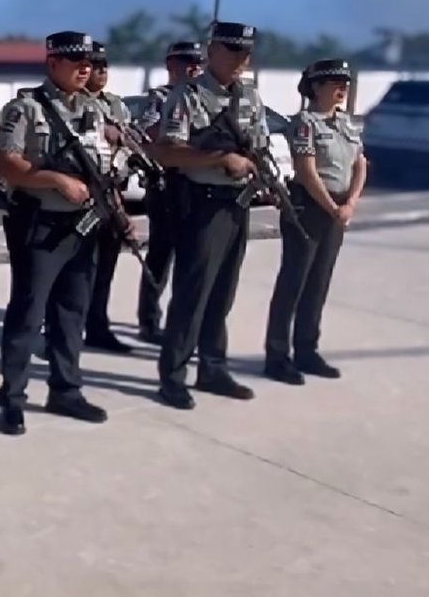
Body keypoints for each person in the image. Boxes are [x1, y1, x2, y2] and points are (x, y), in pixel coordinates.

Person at [0, 31, 112, 435]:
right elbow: (7, 164)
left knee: (72, 311)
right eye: (76, 61)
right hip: (40, 222)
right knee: (29, 312)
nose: (85, 69)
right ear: (53, 63)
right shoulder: (25, 108)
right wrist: (53, 179)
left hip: (82, 225)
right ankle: (12, 397)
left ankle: (65, 389)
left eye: (89, 63)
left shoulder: (95, 110)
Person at [151, 21, 270, 409]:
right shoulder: (188, 96)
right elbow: (166, 152)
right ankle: (173, 375)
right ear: (212, 50)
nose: (241, 60)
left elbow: (260, 144)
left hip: (237, 203)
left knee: (223, 291)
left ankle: (213, 367)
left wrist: (262, 172)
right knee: (192, 292)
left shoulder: (249, 97)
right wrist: (219, 158)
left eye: (246, 53)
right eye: (233, 51)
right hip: (201, 202)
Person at [263, 59, 366, 383]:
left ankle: (307, 350)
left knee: (319, 282)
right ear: (316, 87)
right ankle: (277, 356)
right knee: (294, 281)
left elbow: (360, 163)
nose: (342, 89)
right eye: (335, 83)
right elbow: (307, 172)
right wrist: (332, 207)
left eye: (345, 84)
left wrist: (349, 202)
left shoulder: (347, 124)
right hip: (308, 206)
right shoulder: (306, 123)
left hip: (337, 208)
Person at [135, 41, 204, 344]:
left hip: (197, 184)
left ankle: (183, 319)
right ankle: (149, 320)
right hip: (167, 182)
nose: (194, 69)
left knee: (193, 255)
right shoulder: (160, 99)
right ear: (170, 66)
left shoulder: (201, 99)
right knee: (161, 255)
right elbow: (144, 133)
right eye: (187, 63)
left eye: (197, 63)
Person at [81, 41, 135, 354]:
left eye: (104, 66)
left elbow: (128, 143)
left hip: (112, 191)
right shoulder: (70, 104)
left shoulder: (116, 105)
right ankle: (55, 331)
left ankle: (97, 326)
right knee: (74, 270)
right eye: (94, 65)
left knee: (105, 268)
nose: (100, 72)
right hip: (83, 195)